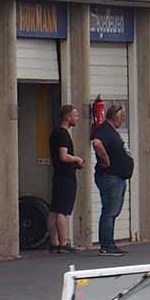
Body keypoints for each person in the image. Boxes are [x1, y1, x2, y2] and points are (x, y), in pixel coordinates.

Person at [91, 102, 133, 256]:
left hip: (118, 177)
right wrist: (106, 160)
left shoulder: (111, 131)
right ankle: (106, 245)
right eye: (121, 116)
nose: (123, 120)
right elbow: (96, 143)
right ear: (114, 116)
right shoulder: (105, 130)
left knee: (113, 211)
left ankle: (109, 242)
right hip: (110, 177)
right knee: (109, 210)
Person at [47, 104, 82, 253]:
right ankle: (63, 243)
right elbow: (63, 156)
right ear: (67, 117)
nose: (77, 118)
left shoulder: (54, 133)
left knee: (54, 210)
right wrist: (77, 159)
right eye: (75, 115)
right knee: (62, 211)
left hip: (58, 175)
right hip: (66, 176)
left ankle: (54, 242)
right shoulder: (63, 134)